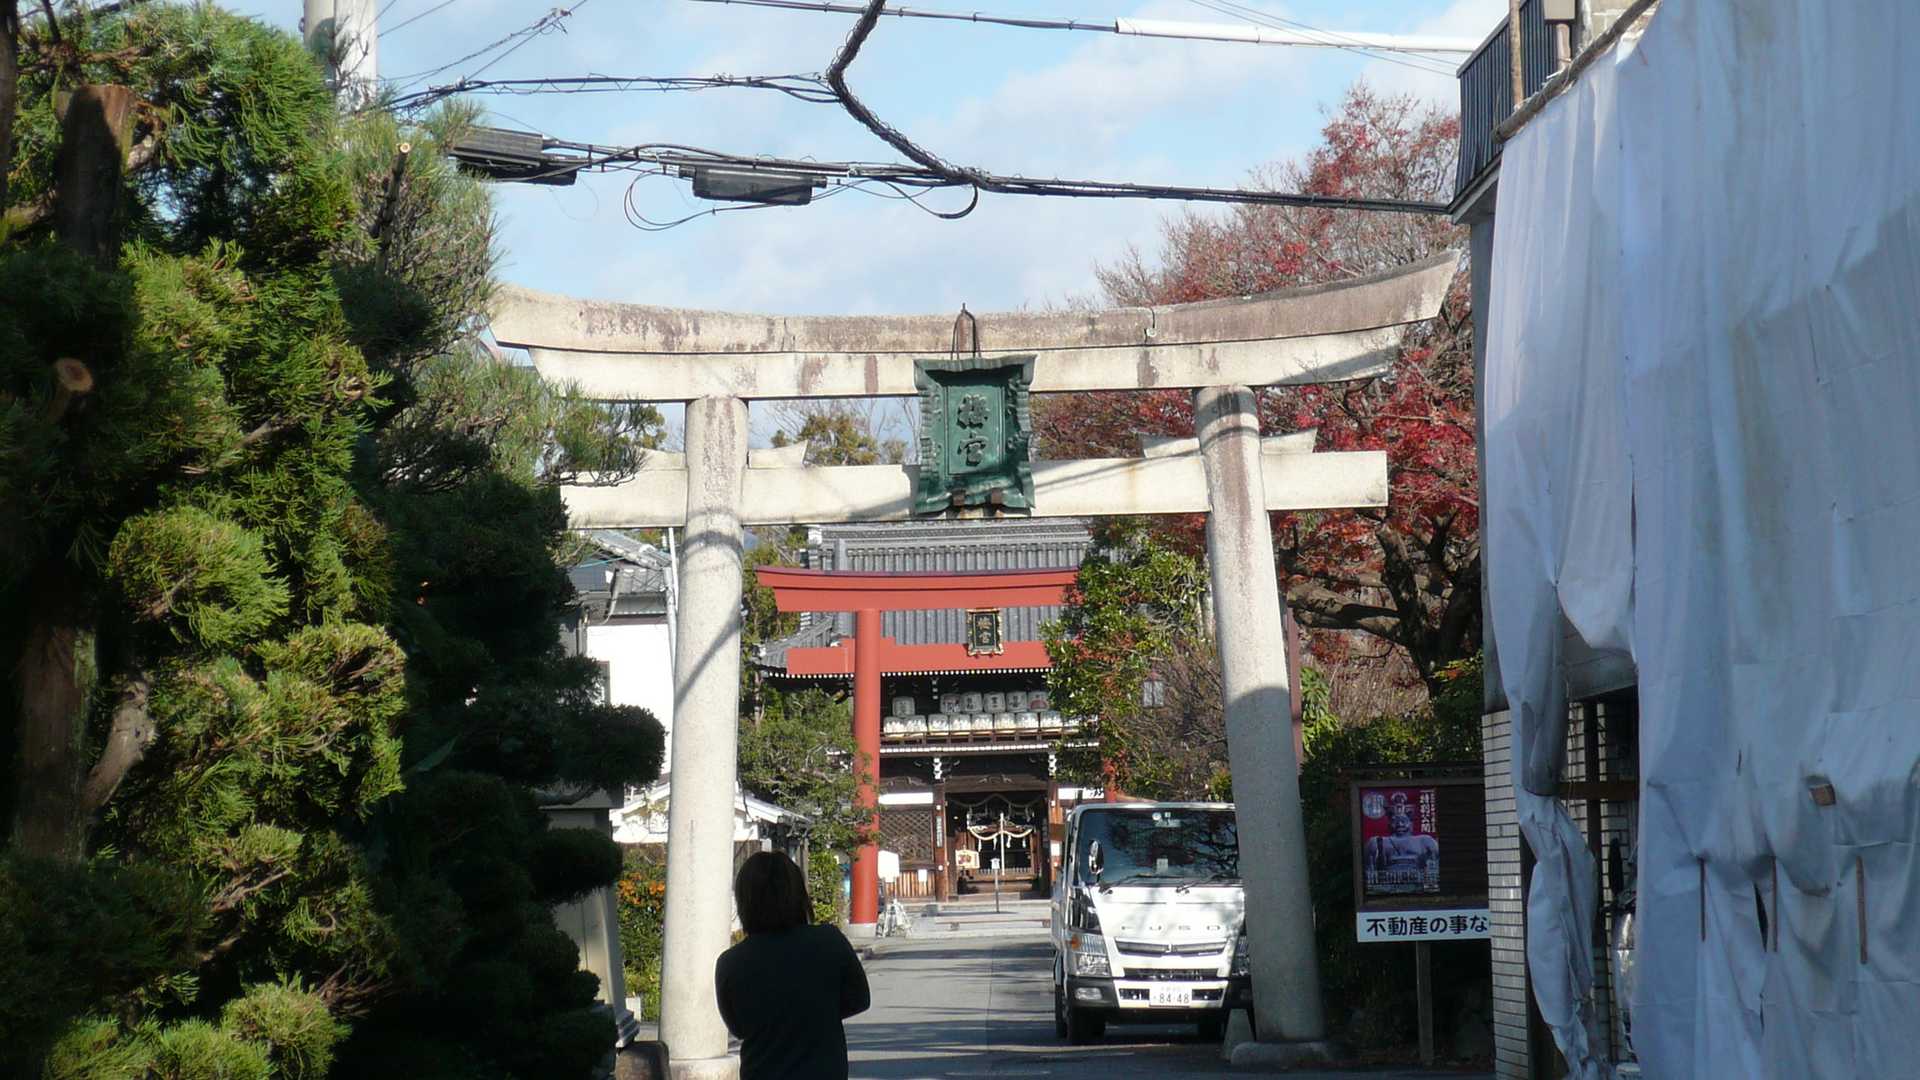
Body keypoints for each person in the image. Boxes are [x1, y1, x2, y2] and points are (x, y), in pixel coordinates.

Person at [715, 851, 871, 1079]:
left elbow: (738, 1027)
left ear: (744, 901)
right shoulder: (829, 941)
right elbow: (860, 1000)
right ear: (799, 894)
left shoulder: (731, 962)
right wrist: (820, 1011)